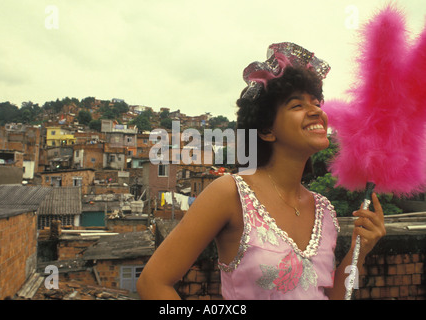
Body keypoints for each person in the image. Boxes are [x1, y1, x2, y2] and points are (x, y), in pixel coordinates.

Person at [136, 42, 386, 300]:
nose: (316, 112)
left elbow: (329, 295)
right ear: (266, 130)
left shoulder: (325, 211)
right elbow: (153, 282)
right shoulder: (231, 193)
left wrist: (361, 248)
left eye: (316, 102)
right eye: (297, 105)